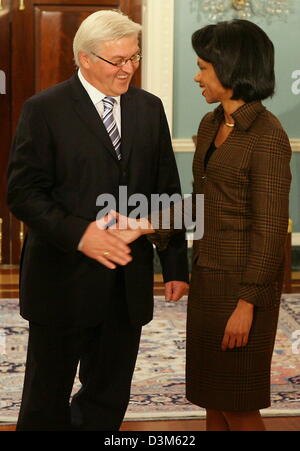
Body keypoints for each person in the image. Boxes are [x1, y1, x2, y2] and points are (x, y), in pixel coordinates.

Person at [7, 10, 189, 431]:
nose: (128, 69)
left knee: (109, 394)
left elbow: (167, 190)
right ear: (84, 58)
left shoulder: (149, 108)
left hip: (127, 281)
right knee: (45, 399)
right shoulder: (44, 109)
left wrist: (176, 263)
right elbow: (23, 194)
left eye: (134, 58)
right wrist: (81, 233)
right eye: (118, 60)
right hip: (61, 280)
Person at [120, 19, 292, 431]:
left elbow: (269, 232)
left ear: (231, 69)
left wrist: (247, 304)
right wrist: (141, 224)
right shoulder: (211, 124)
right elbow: (201, 203)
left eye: (203, 67)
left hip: (243, 291)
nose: (196, 76)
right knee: (212, 401)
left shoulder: (267, 136)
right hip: (210, 280)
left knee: (238, 403)